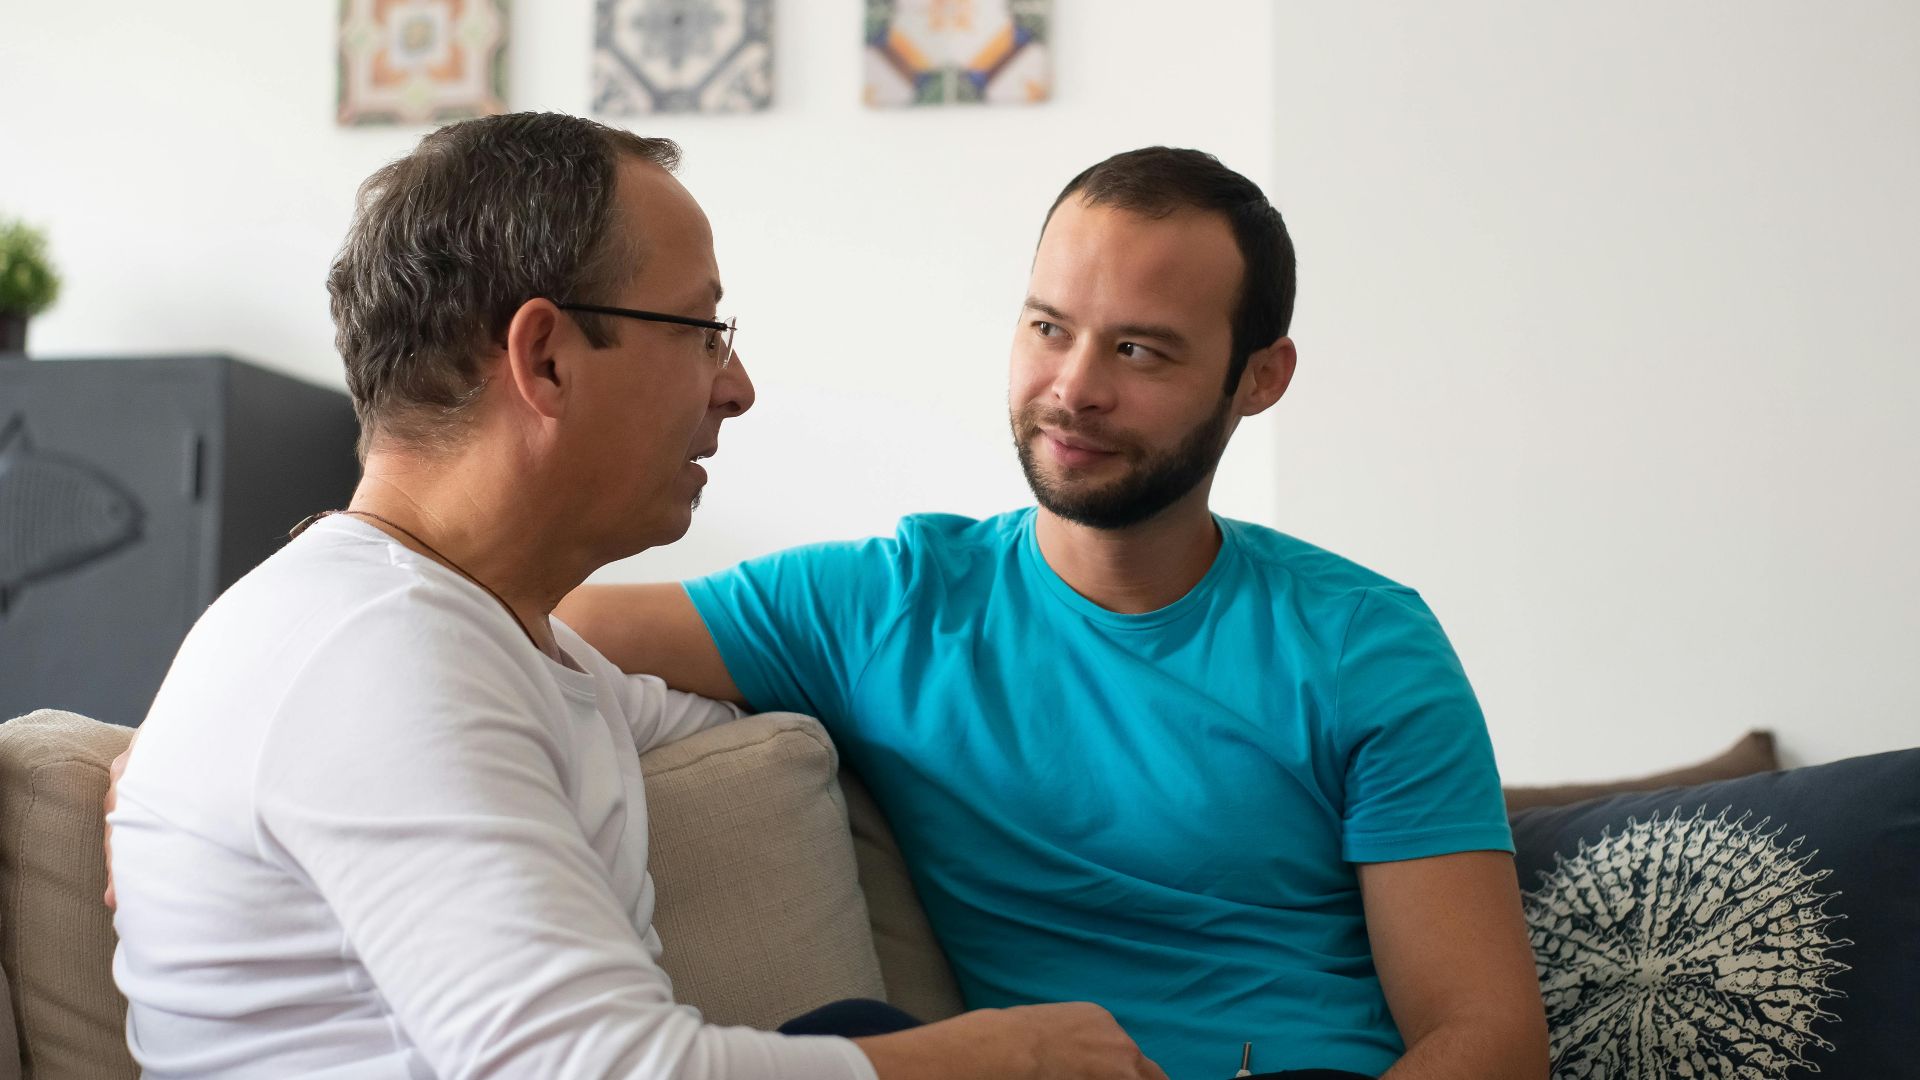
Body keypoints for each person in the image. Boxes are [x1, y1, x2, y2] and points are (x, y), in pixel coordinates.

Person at [103, 112, 1166, 1080]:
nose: (736, 387)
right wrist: (1005, 1053)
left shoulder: (476, 645)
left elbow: (718, 708)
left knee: (851, 1026)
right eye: (702, 331)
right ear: (547, 358)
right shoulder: (380, 655)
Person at [556, 148, 1550, 1079]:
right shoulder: (887, 605)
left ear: (1260, 378)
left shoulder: (1365, 643)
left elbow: (1487, 1036)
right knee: (841, 1044)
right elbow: (520, 617)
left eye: (1139, 350)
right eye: (1048, 328)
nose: (1075, 389)